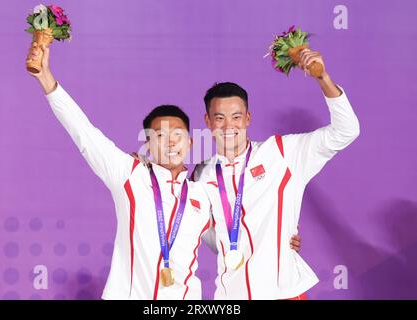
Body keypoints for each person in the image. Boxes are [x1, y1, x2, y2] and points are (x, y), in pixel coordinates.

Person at [26, 44, 213, 300]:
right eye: (161, 136)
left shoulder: (204, 193)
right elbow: (84, 132)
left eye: (177, 135)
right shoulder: (129, 174)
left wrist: (288, 245)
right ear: (147, 144)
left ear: (190, 142)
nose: (170, 143)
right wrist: (45, 76)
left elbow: (241, 235)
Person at [192, 48, 360, 299]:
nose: (229, 126)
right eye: (220, 118)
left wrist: (322, 77)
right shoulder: (202, 174)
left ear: (248, 118)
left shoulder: (282, 153)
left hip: (284, 293)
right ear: (207, 121)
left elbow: (346, 131)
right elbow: (213, 240)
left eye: (236, 117)